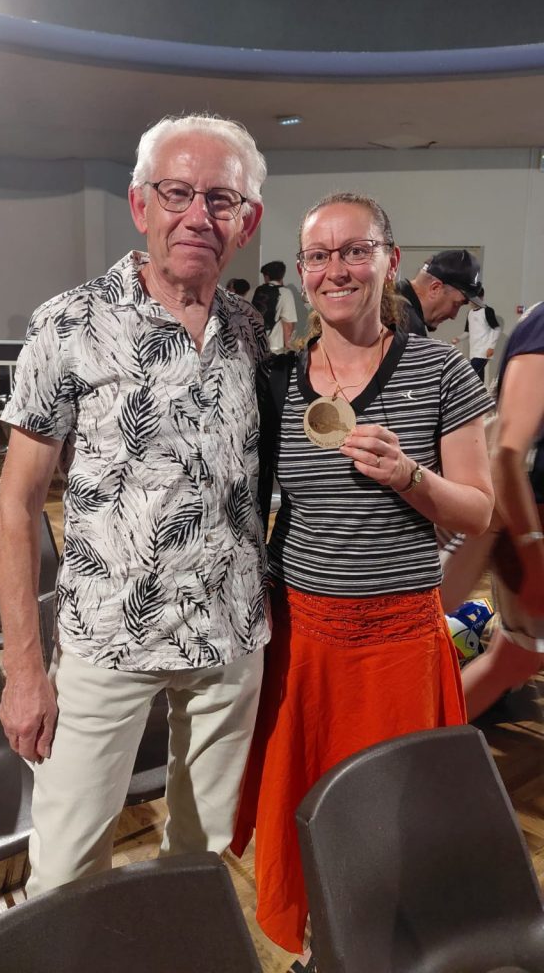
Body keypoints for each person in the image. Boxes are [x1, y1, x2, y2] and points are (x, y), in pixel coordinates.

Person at [0, 113, 270, 897]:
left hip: (229, 638)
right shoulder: (70, 323)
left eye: (220, 199)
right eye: (176, 192)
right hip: (106, 639)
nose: (197, 215)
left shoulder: (249, 330)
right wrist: (24, 670)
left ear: (246, 222)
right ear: (139, 204)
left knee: (200, 860)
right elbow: (16, 506)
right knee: (66, 871)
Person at [230, 192, 495, 961]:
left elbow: (478, 511)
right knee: (310, 818)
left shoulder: (441, 370)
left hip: (399, 648)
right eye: (319, 255)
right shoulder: (277, 380)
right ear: (303, 270)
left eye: (355, 250)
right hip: (304, 645)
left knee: (396, 826)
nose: (336, 269)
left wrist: (411, 476)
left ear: (390, 260)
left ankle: (386, 951)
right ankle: (325, 951)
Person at [441, 301, 544, 720]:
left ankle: (412, 746)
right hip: (524, 514)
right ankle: (404, 747)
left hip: (518, 513)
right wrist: (534, 557)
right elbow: (506, 454)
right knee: (514, 656)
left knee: (517, 658)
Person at [397, 249, 485, 336]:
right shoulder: (405, 323)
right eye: (456, 304)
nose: (454, 316)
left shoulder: (394, 298)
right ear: (435, 289)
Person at [451, 287, 501, 383]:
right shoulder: (470, 313)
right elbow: (467, 332)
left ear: (481, 297)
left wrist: (491, 347)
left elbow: (496, 329)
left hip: (483, 352)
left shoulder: (487, 310)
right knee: (478, 378)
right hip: (473, 352)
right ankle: (481, 392)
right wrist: (458, 338)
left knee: (472, 375)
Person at [252, 259, 297, 352]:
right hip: (274, 348)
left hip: (255, 347)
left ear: (266, 276)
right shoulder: (285, 293)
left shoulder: (256, 291)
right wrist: (289, 347)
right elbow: (288, 324)